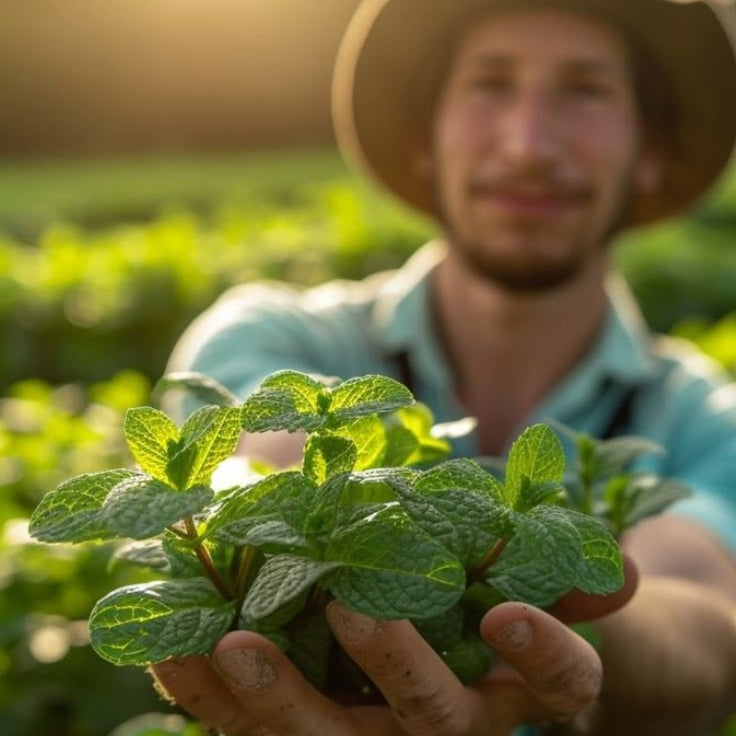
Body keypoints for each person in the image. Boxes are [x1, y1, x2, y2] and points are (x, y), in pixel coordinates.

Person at [153, 0, 736, 734]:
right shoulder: (270, 339)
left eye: (585, 91)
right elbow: (257, 465)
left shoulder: (705, 422)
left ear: (651, 148)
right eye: (490, 85)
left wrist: (557, 628)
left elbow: (705, 616)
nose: (528, 144)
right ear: (425, 137)